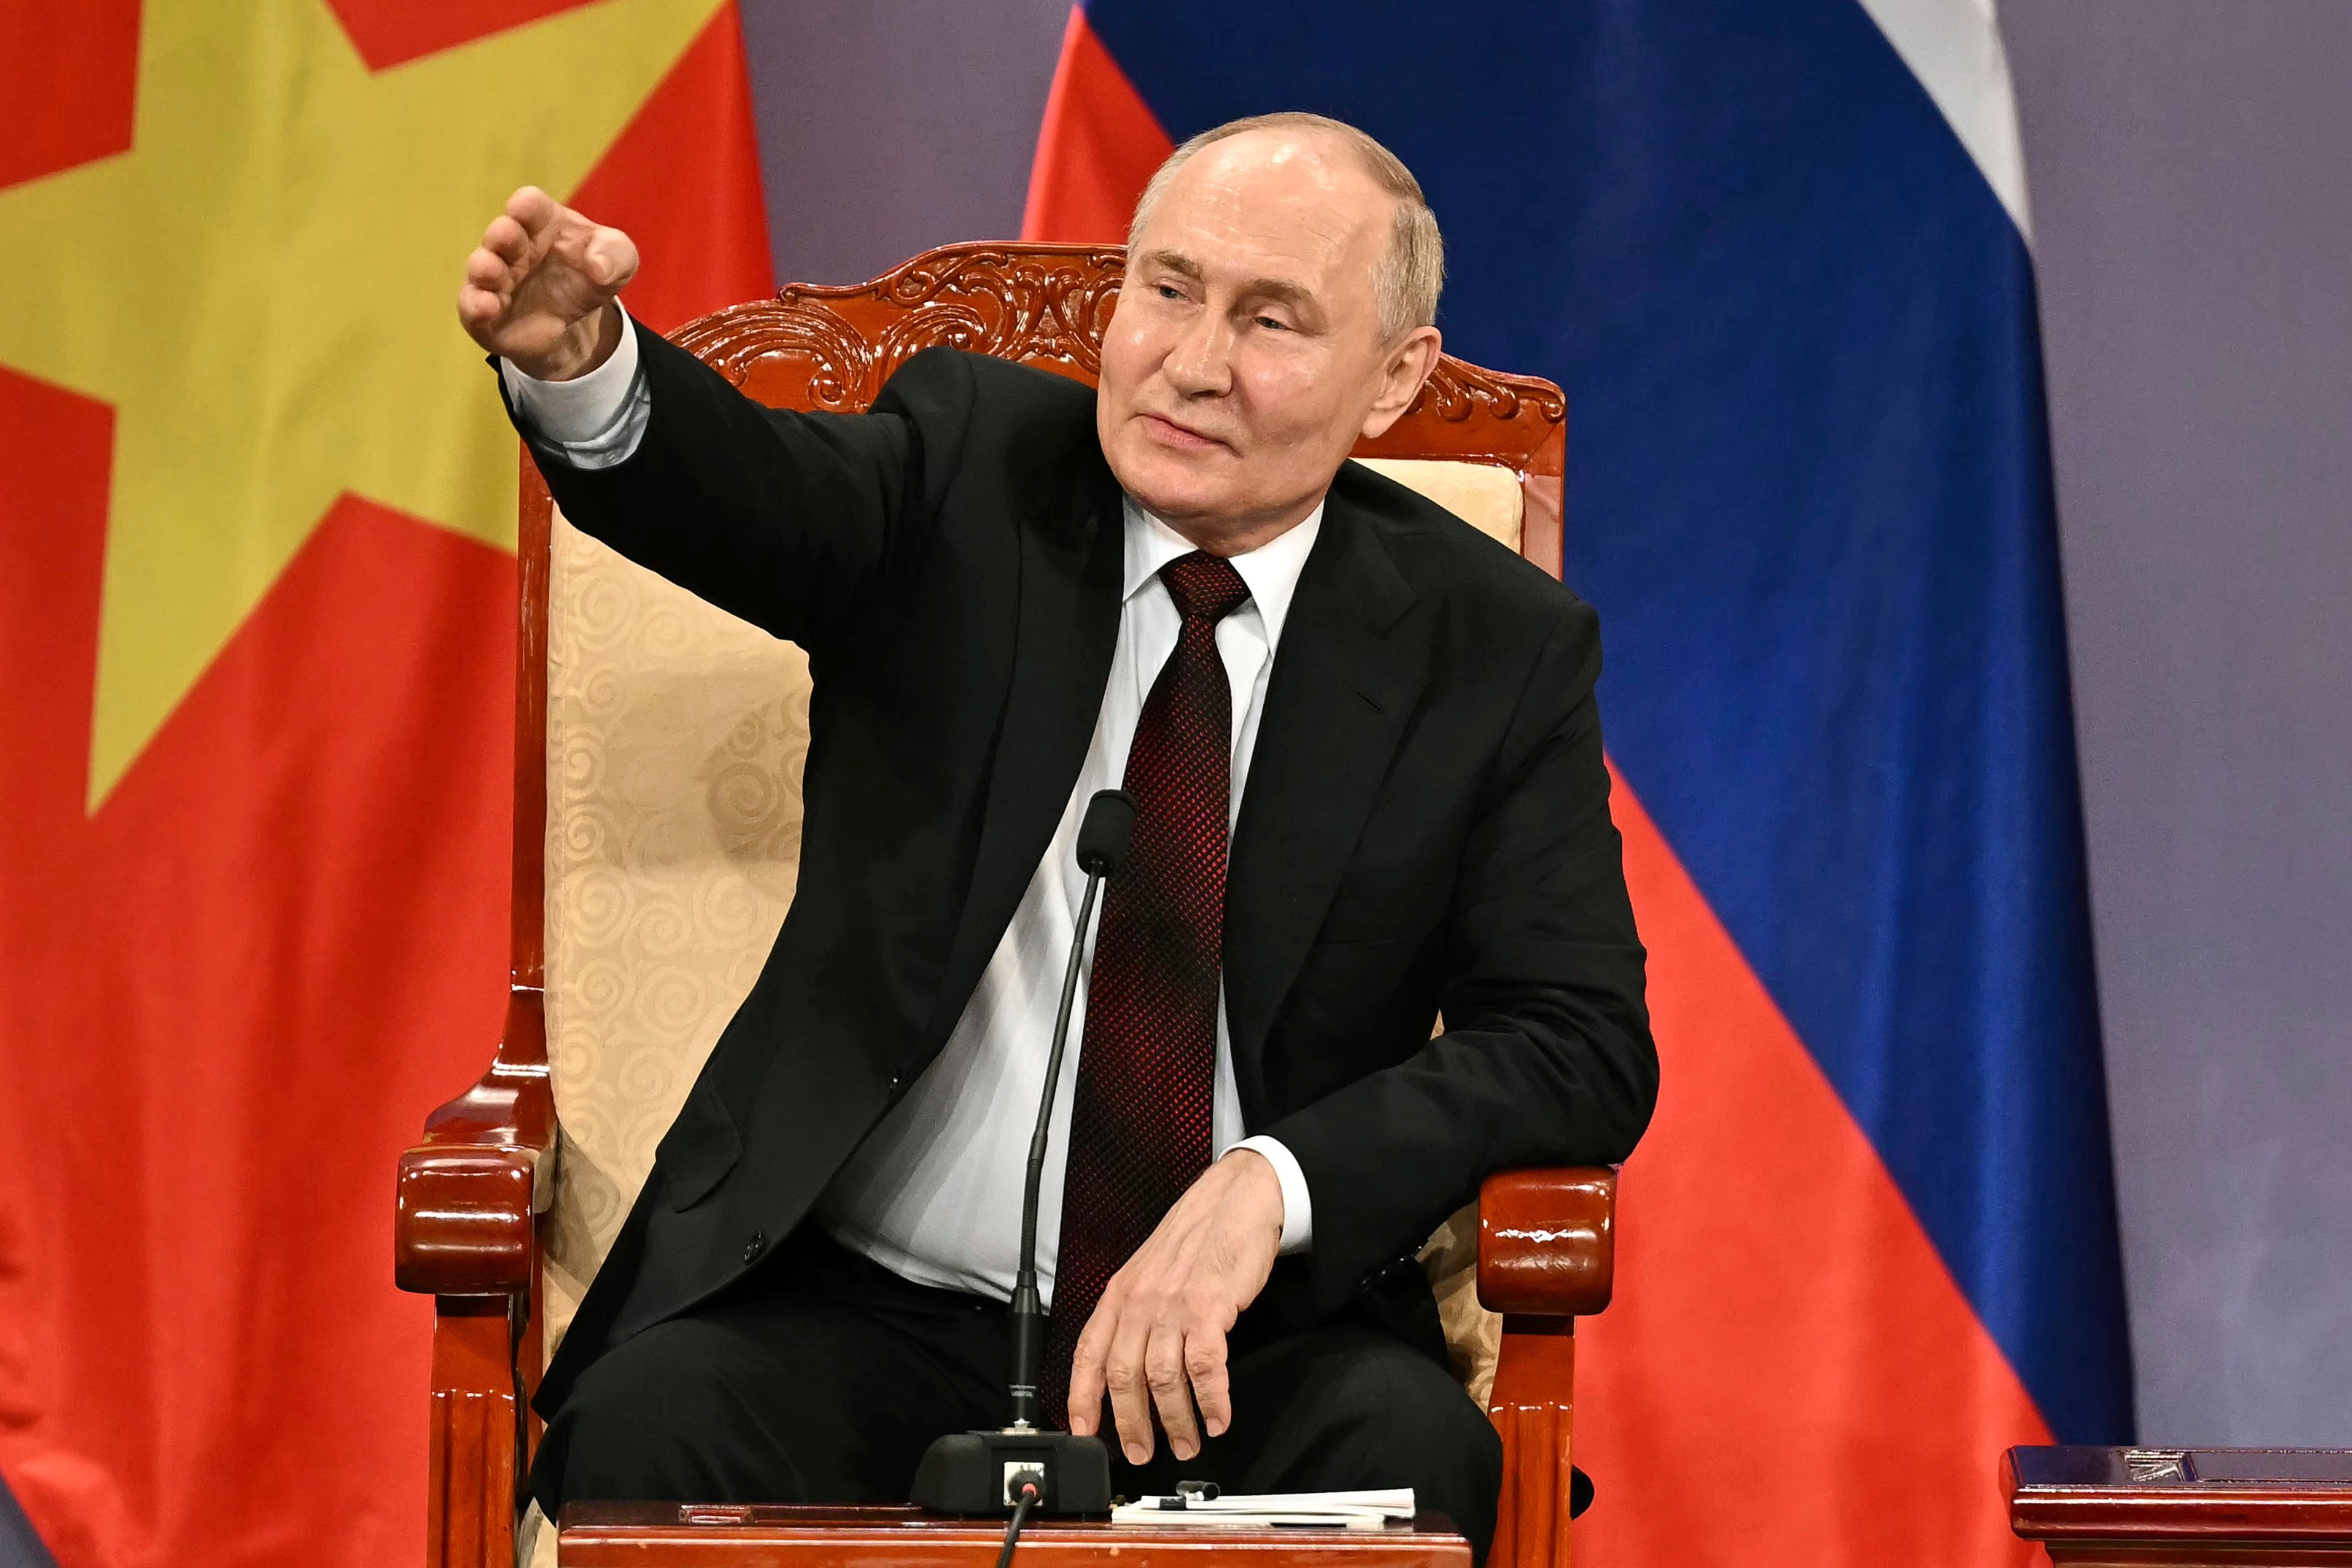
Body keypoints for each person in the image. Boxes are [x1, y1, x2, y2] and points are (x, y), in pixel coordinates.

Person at [457, 111, 1655, 1562]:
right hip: (862, 1313)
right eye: (1166, 289)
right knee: (648, 1430)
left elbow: (1578, 1036)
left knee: (1410, 1460)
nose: (1191, 362)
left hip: (1242, 1344)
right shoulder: (970, 471)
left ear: (1392, 377)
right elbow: (753, 500)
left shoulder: (1488, 646)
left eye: (1270, 320)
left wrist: (1272, 1183)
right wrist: (585, 371)